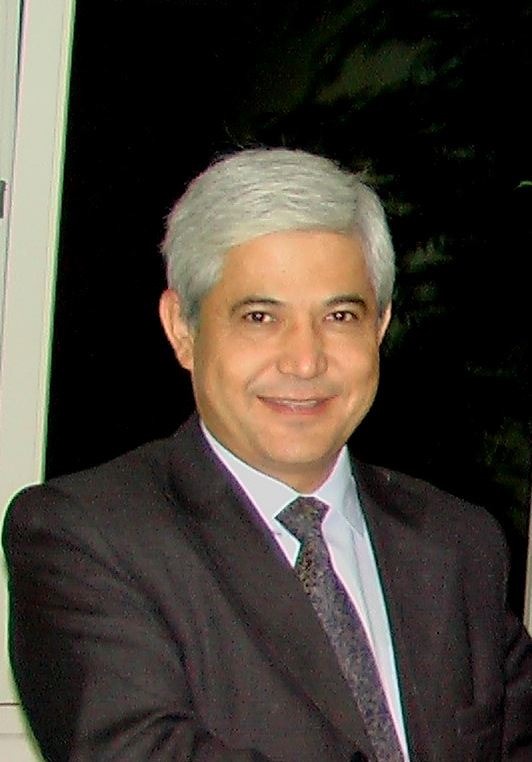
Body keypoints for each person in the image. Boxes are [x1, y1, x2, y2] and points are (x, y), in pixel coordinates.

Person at [3, 148, 531, 762]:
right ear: (183, 329)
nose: (304, 360)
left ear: (380, 327)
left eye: (339, 315)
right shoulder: (86, 539)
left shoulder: (458, 544)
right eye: (260, 317)